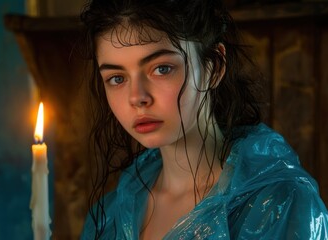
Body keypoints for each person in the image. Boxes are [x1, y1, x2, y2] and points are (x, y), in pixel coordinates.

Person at [78, 0, 328, 239]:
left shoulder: (279, 203)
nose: (137, 97)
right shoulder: (111, 214)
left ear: (214, 66)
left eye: (162, 68)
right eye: (117, 78)